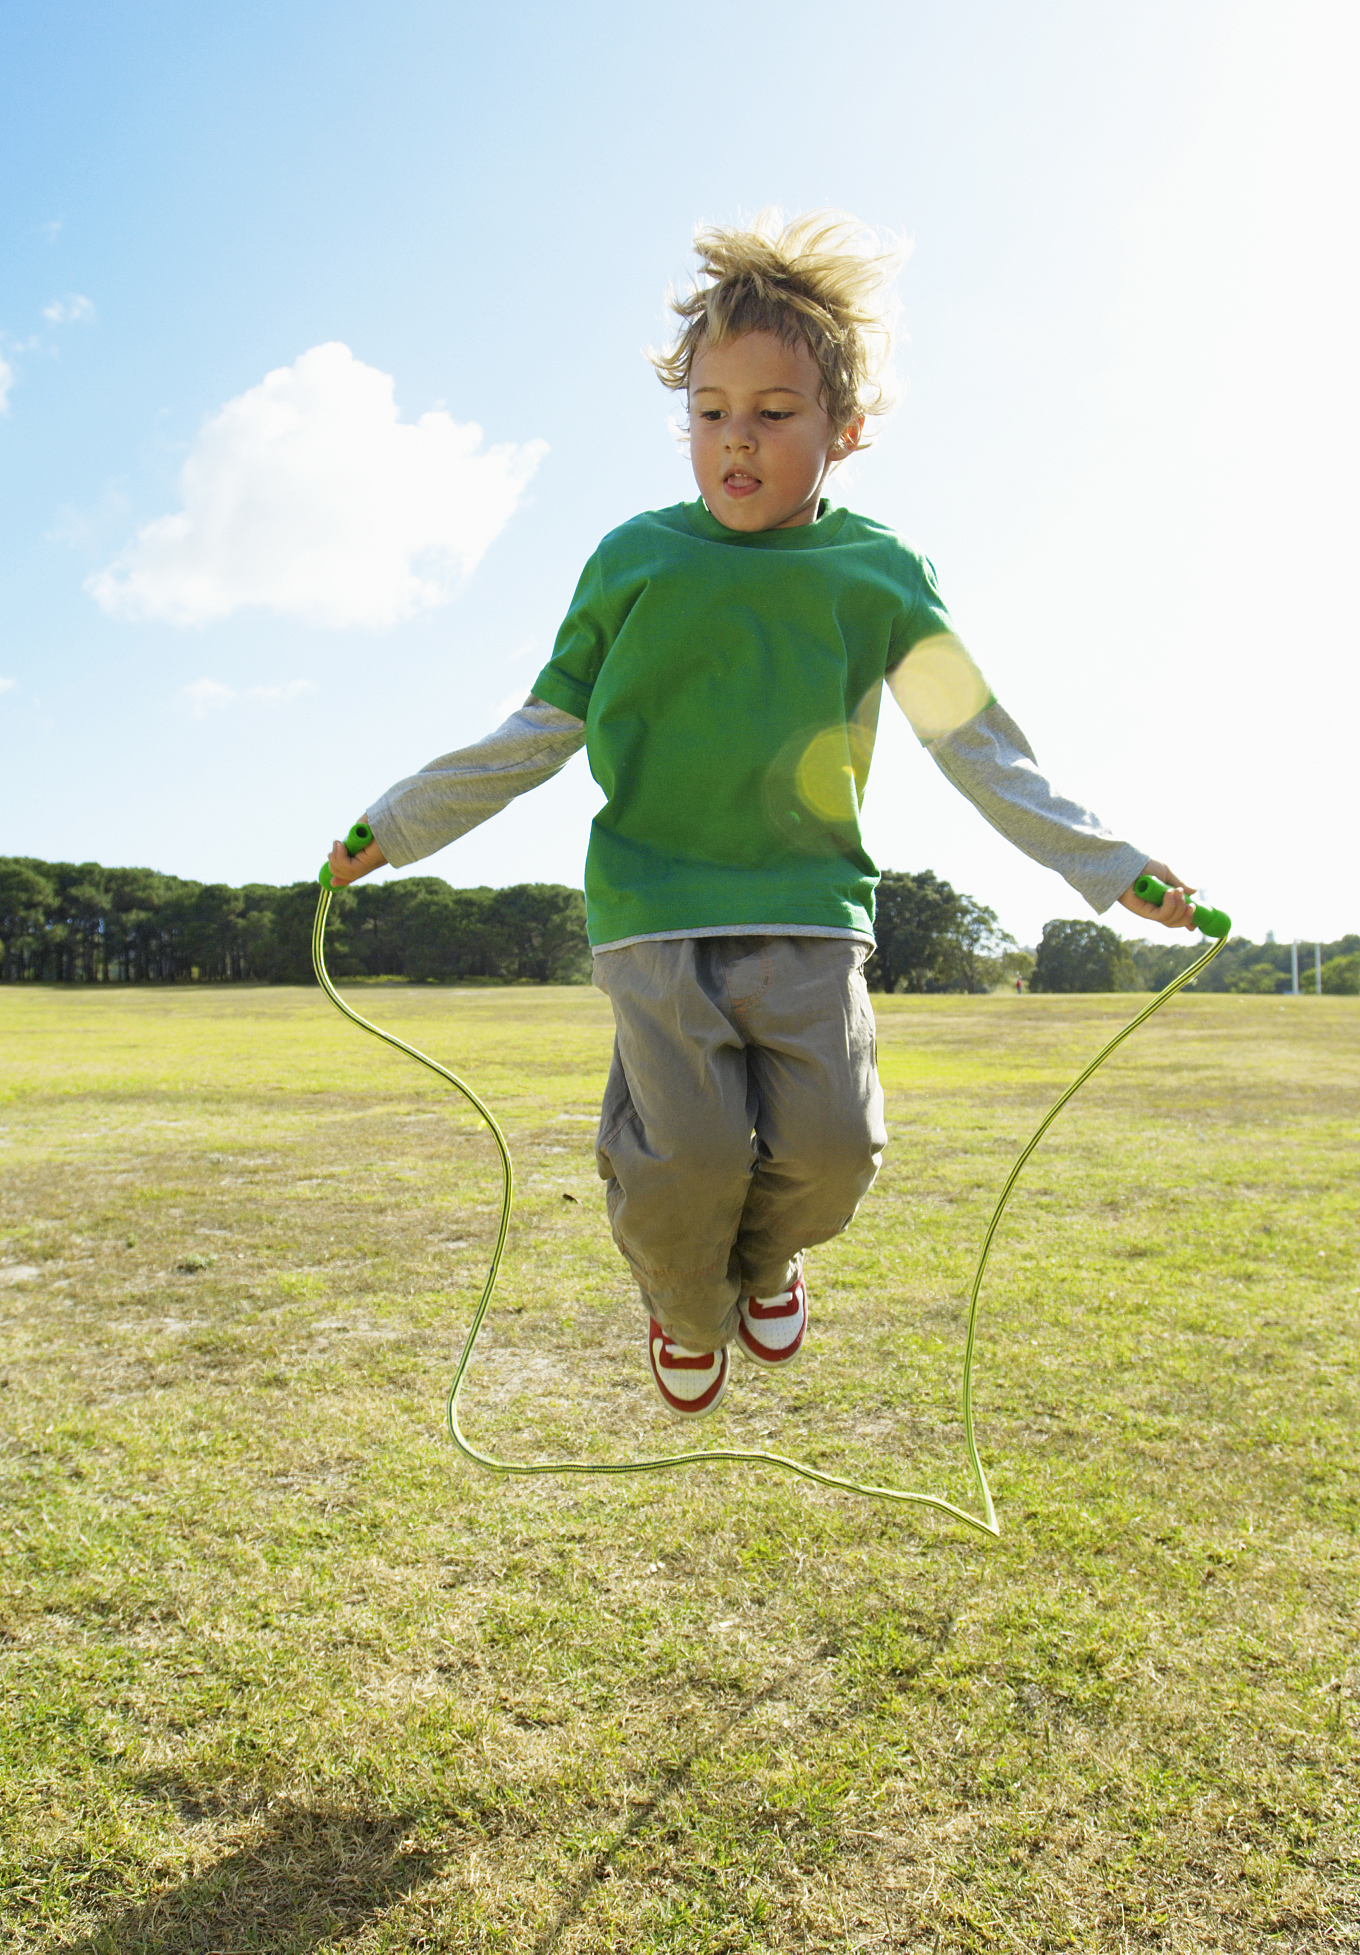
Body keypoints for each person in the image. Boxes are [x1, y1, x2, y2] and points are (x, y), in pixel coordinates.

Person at [326, 211, 1198, 1419]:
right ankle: (687, 1310)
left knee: (834, 1150)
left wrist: (1113, 866)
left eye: (773, 414)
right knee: (687, 1159)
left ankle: (771, 1261)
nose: (736, 440)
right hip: (652, 912)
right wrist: (395, 825)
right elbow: (537, 729)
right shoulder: (632, 558)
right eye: (709, 410)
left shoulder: (883, 575)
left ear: (844, 428)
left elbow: (977, 745)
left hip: (807, 910)